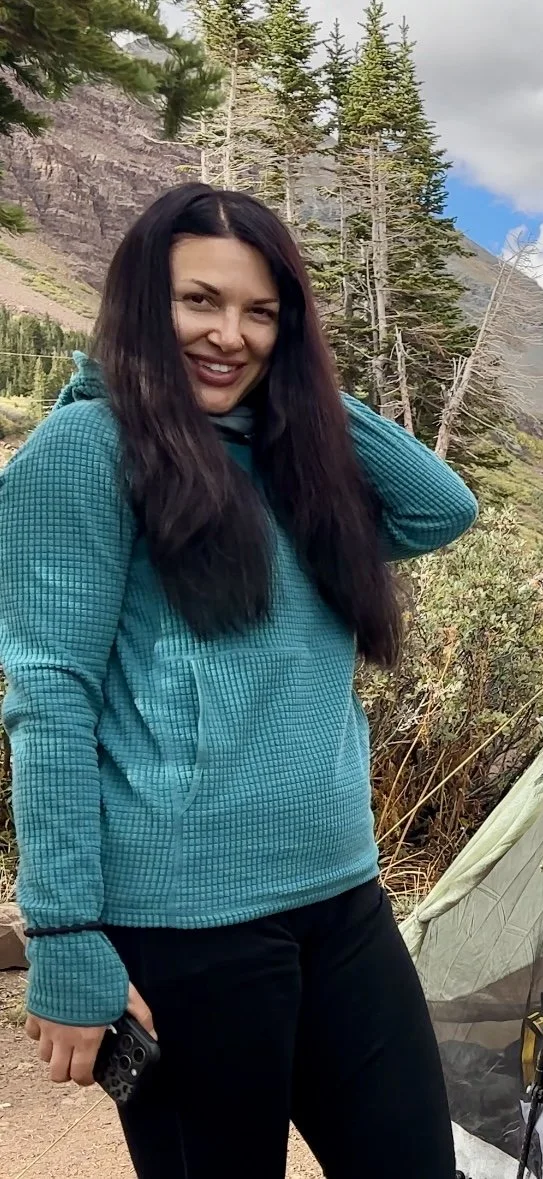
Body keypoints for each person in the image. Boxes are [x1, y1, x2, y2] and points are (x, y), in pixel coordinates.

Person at [0, 183, 478, 1177]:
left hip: (343, 901)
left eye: (262, 312)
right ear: (141, 303)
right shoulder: (85, 454)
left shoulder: (293, 458)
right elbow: (49, 702)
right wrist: (63, 931)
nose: (230, 334)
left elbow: (441, 507)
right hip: (186, 933)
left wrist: (299, 386)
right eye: (198, 302)